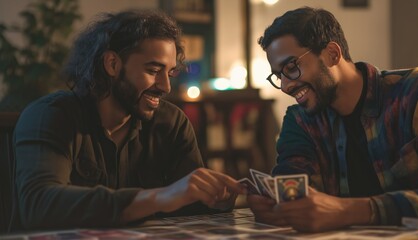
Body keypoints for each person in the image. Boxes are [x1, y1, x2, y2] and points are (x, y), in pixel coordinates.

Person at [247, 7, 418, 233]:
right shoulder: (300, 120)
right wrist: (275, 206)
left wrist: (354, 211)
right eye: (278, 75)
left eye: (291, 67)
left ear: (332, 54)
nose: (286, 86)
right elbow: (293, 189)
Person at [13, 10, 246, 230]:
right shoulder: (51, 116)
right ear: (112, 64)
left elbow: (191, 209)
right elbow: (38, 205)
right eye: (154, 71)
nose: (165, 86)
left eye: (170, 73)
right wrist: (159, 198)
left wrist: (218, 198)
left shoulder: (171, 122)